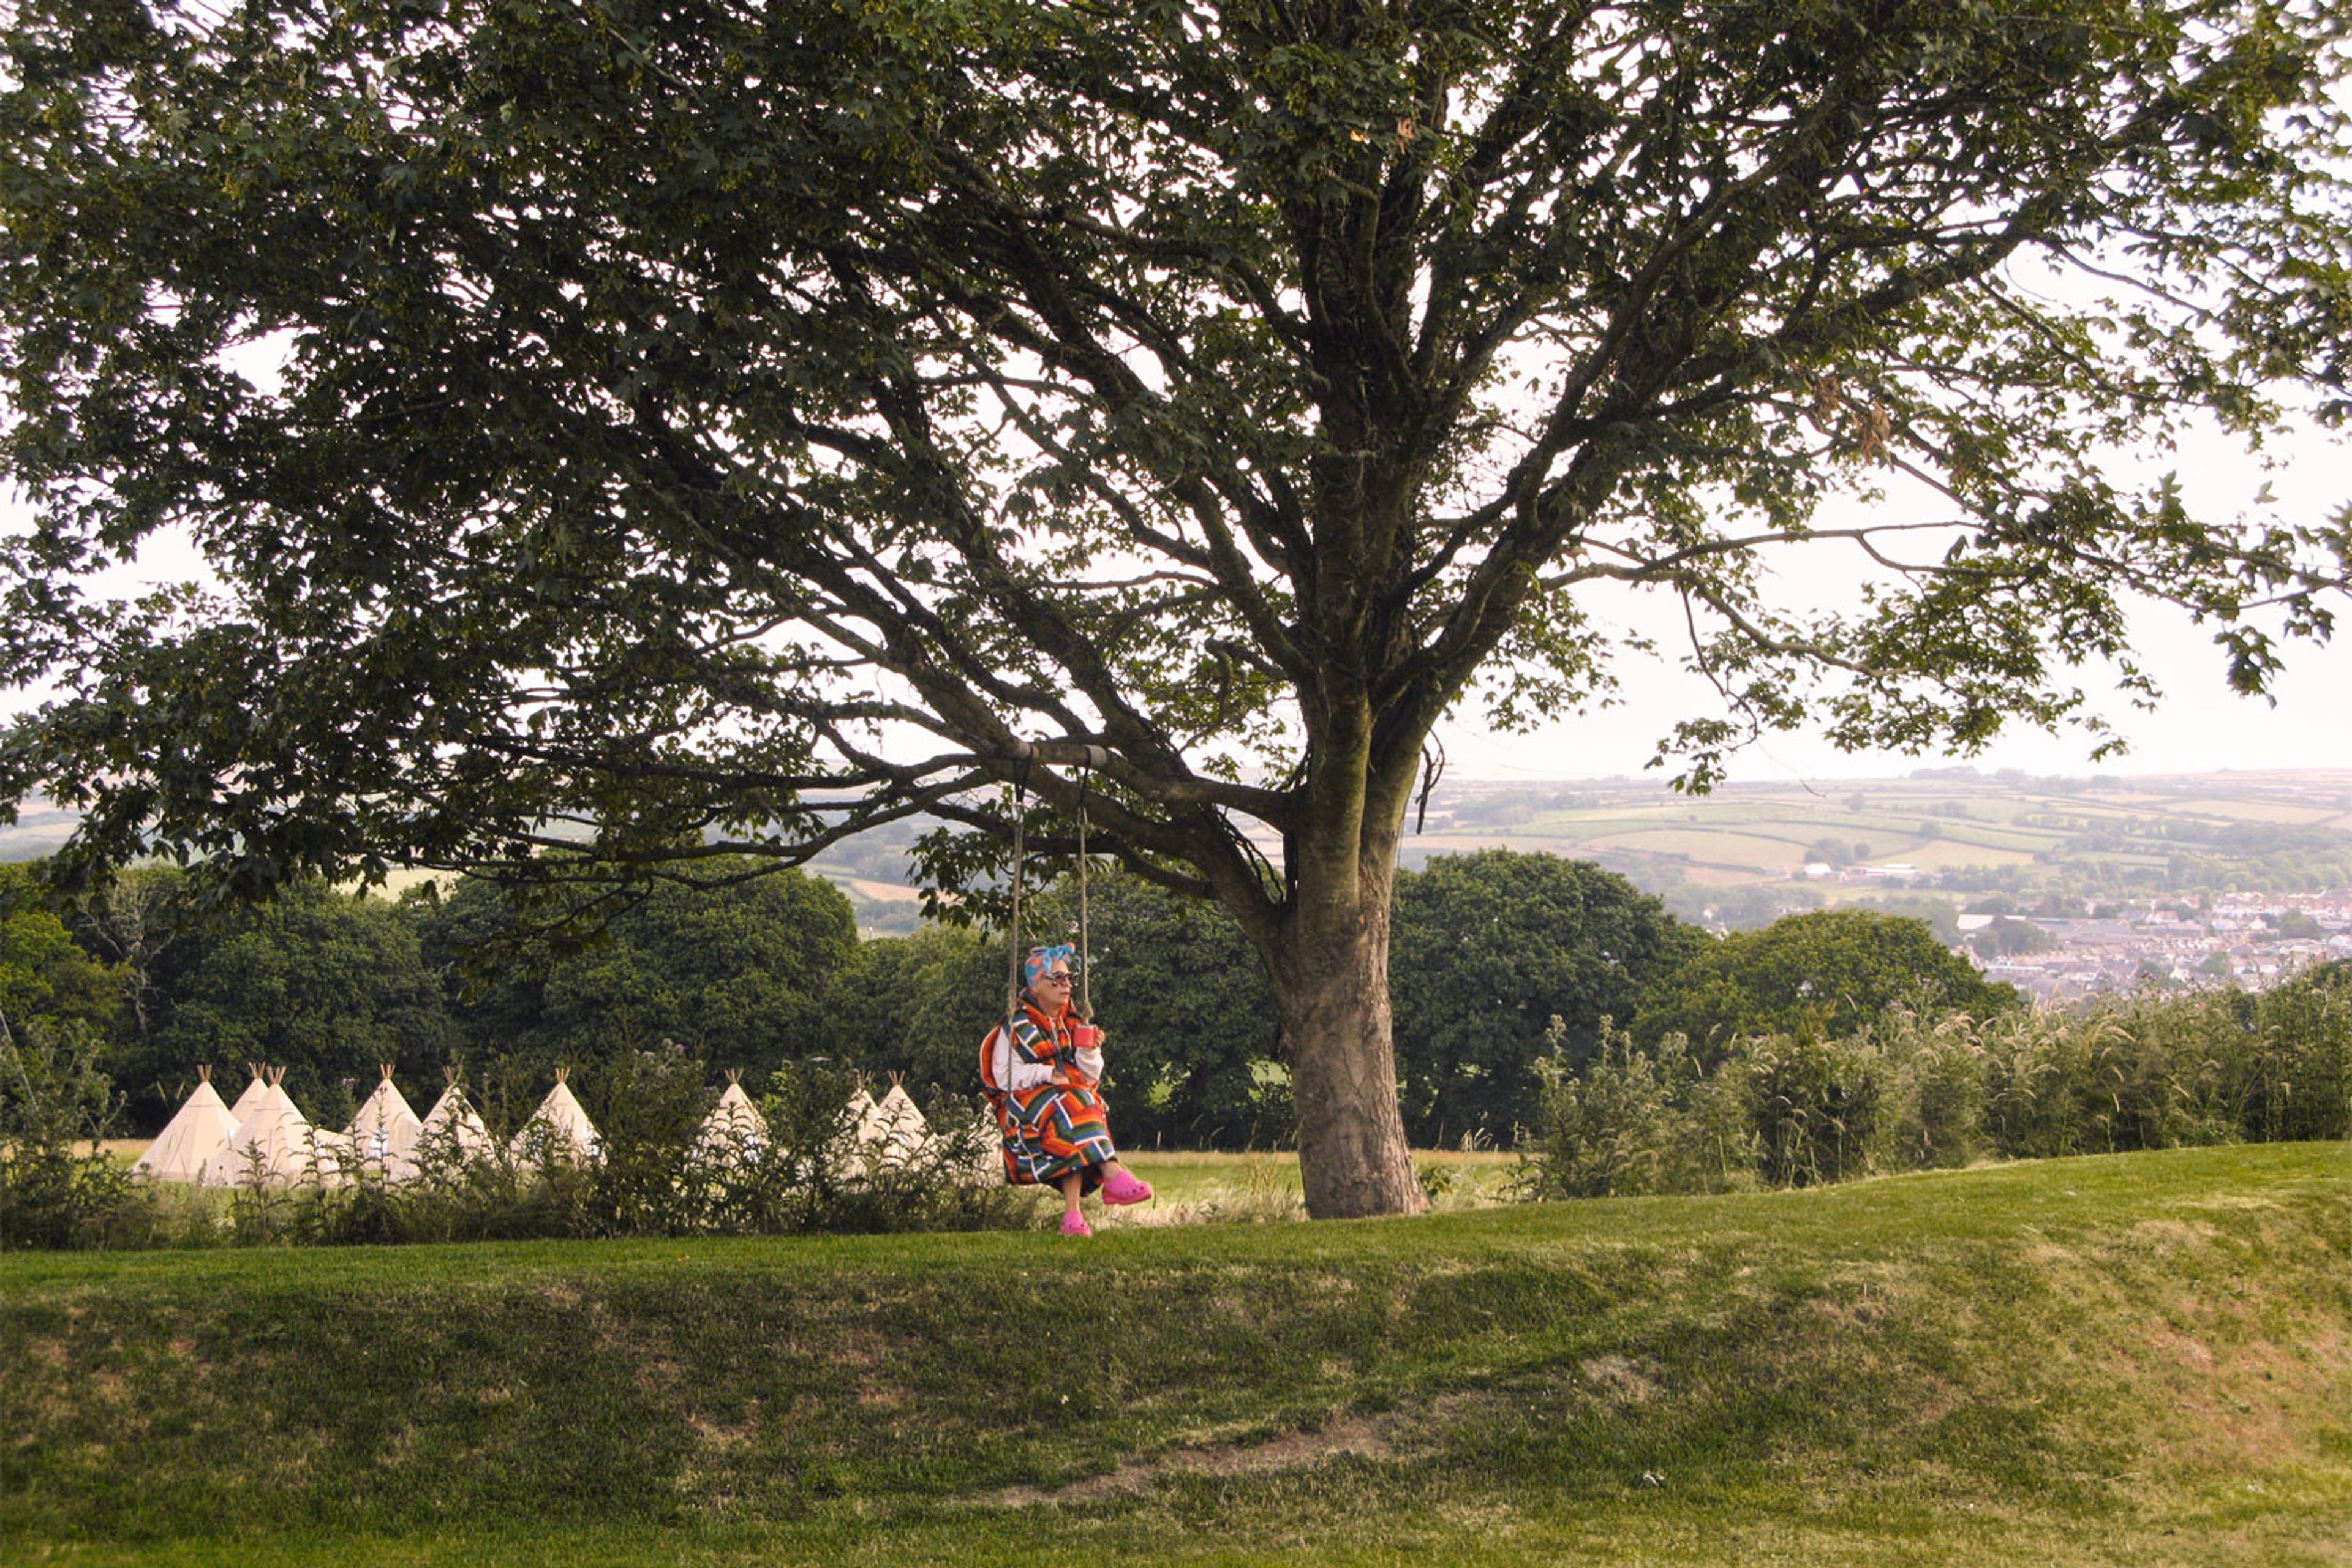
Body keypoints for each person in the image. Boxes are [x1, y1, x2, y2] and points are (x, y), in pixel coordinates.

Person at [980, 944, 1153, 1236]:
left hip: (1068, 1104)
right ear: (1036, 985)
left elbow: (1090, 1075)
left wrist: (1089, 1051)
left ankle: (1073, 1217)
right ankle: (1112, 1172)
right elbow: (1004, 1075)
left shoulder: (1073, 1023)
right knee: (1073, 1106)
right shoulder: (1016, 1027)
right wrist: (1048, 1074)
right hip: (1023, 1106)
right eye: (1056, 979)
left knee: (1074, 1113)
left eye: (1069, 978)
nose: (1066, 985)